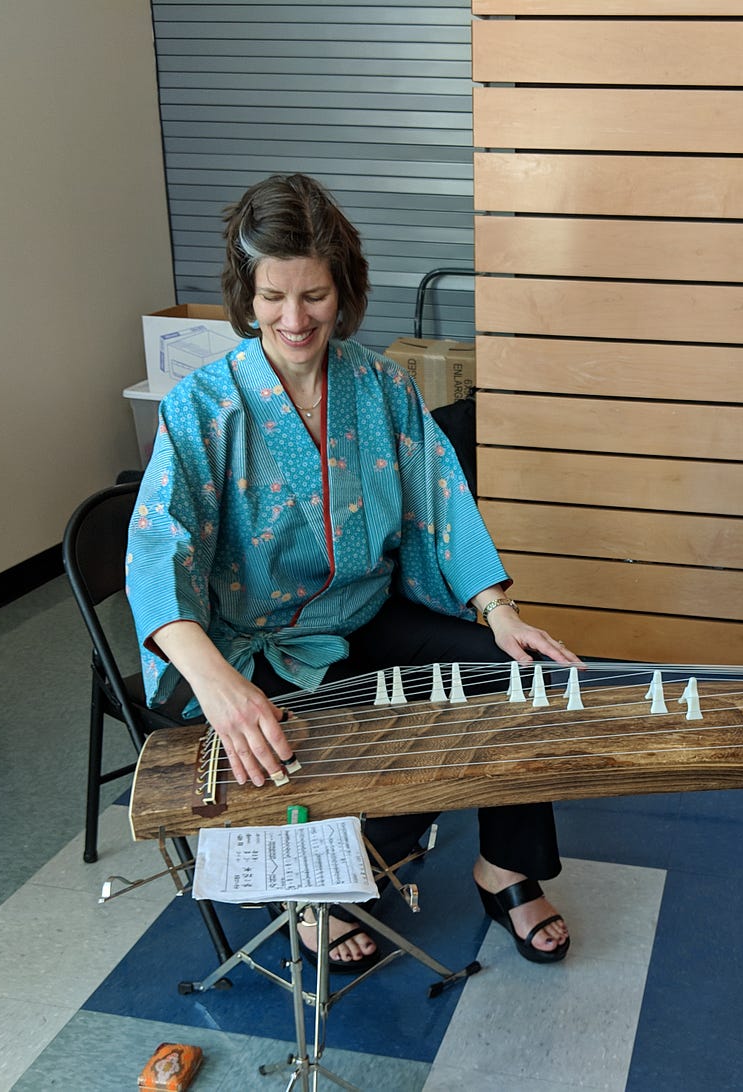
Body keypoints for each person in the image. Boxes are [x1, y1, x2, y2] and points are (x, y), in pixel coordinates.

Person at [125, 173, 582, 968]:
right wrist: (215, 682)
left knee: (518, 676)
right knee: (296, 744)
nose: (295, 320)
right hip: (259, 642)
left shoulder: (380, 387)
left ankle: (505, 865)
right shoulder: (202, 407)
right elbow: (158, 548)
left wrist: (497, 611)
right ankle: (313, 888)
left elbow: (441, 505)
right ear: (247, 291)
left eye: (315, 296)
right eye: (273, 297)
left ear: (344, 290)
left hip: (362, 616)